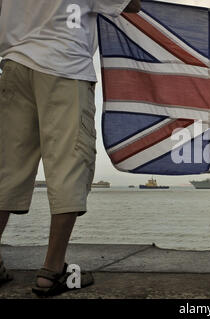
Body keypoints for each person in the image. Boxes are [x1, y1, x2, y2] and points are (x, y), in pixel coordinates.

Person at [0, 0, 141, 296]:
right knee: (69, 166)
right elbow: (133, 5)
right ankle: (52, 272)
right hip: (64, 65)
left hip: (14, 64)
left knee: (7, 170)